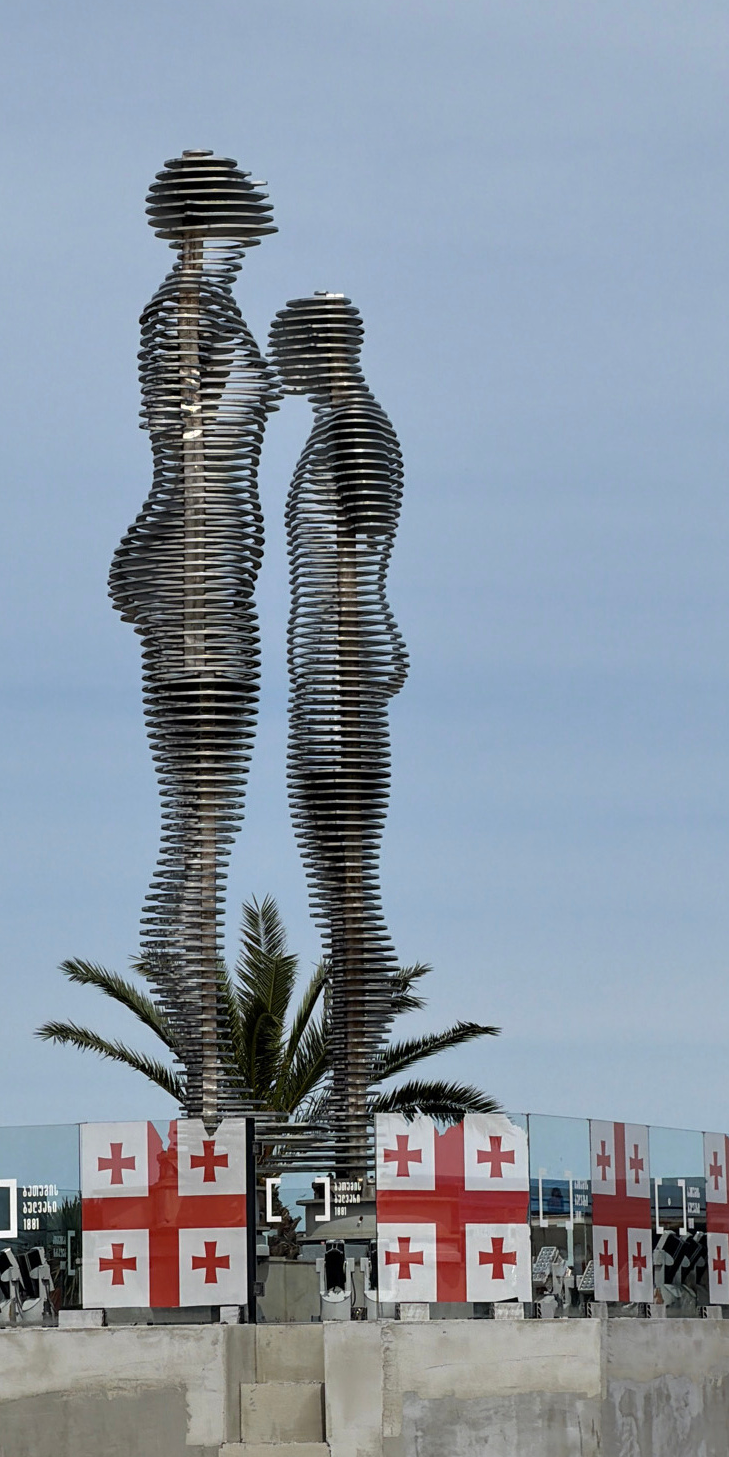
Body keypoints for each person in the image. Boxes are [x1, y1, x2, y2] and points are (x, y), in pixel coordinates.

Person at [110, 152, 280, 1120]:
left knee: (202, 846)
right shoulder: (183, 316)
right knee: (201, 853)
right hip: (198, 615)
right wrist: (148, 565)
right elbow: (180, 455)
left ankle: (212, 1076)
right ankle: (212, 1080)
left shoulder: (204, 315)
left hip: (213, 606)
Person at [270, 293, 407, 1177]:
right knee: (342, 898)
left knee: (351, 900)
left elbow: (365, 563)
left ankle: (352, 1109)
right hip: (328, 682)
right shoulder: (337, 429)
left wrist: (355, 673)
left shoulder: (355, 429)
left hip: (341, 689)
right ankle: (348, 1104)